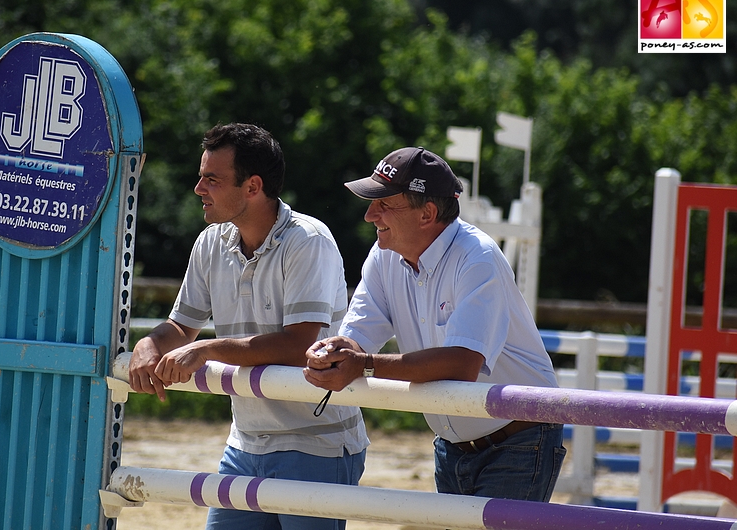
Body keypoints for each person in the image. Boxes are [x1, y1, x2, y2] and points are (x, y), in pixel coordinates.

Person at [128, 122, 368, 529]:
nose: (198, 188)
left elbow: (298, 346)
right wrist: (147, 344)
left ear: (253, 186)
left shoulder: (309, 240)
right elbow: (180, 327)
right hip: (245, 441)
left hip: (316, 445)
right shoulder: (210, 242)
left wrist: (206, 349)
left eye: (211, 179)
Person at [303, 146, 565, 502]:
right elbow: (357, 339)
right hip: (463, 442)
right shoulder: (386, 256)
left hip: (518, 439)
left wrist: (360, 364)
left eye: (383, 203)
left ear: (427, 213)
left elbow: (461, 364)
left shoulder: (478, 257)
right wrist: (333, 352)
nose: (369, 214)